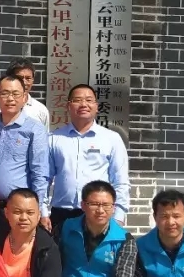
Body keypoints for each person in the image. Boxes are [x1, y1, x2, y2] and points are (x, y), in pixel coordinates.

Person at [48, 84, 130, 235]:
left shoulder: (111, 139)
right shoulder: (54, 138)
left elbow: (120, 181)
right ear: (68, 106)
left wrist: (118, 216)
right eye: (77, 100)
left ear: (96, 106)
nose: (83, 104)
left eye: (89, 100)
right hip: (62, 213)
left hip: (98, 213)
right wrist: (42, 211)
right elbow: (44, 178)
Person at [0, 74, 50, 234]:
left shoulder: (34, 129)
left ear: (24, 98)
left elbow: (40, 173)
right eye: (4, 93)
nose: (10, 98)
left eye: (16, 94)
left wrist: (38, 210)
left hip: (18, 210)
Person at [0, 59, 50, 128]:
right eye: (19, 78)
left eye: (28, 78)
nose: (24, 82)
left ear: (33, 80)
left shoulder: (41, 110)